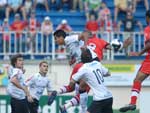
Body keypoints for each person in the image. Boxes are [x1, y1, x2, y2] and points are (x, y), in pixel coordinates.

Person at [52, 48, 113, 113]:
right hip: (109, 97)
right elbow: (108, 73)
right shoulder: (97, 63)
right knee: (83, 91)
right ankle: (68, 105)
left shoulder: (84, 68)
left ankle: (66, 104)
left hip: (99, 99)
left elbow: (72, 81)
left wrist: (71, 85)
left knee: (81, 90)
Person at [119, 10, 150, 112]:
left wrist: (139, 53)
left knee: (137, 80)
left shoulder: (148, 29)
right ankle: (132, 103)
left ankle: (132, 103)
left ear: (147, 17)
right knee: (137, 79)